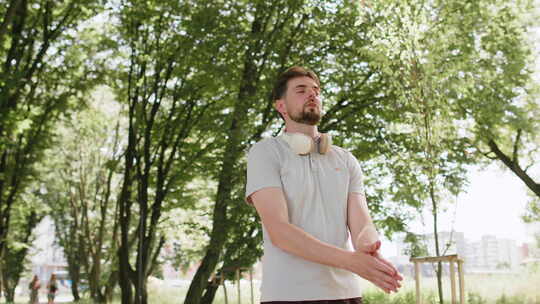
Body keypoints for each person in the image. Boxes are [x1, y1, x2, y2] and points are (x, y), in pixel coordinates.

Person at [245, 66, 403, 303]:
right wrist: (352, 261)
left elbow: (362, 224)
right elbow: (280, 232)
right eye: (301, 90)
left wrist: (369, 246)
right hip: (288, 296)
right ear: (281, 106)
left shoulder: (346, 159)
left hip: (347, 295)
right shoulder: (265, 153)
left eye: (316, 90)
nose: (312, 94)